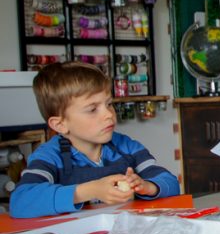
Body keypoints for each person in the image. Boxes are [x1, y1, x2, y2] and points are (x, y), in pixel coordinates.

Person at [11, 62, 180, 218]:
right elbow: (21, 201)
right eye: (92, 109)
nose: (108, 114)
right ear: (60, 124)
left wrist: (148, 187)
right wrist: (89, 191)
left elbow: (171, 183)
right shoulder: (50, 156)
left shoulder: (127, 147)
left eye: (109, 104)